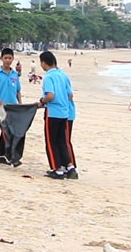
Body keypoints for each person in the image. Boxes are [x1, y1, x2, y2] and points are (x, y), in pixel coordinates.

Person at [38, 51, 77, 179]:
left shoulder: (48, 77)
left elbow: (50, 95)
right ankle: (70, 167)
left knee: (51, 141)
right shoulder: (63, 75)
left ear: (43, 63)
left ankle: (57, 169)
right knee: (62, 141)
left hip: (53, 112)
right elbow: (70, 94)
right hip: (65, 113)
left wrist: (42, 101)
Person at [0, 48, 22, 166]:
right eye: (5, 58)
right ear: (1, 59)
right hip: (0, 107)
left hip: (13, 107)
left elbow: (18, 91)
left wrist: (20, 104)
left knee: (11, 131)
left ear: (13, 59)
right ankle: (3, 155)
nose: (7, 60)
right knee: (5, 130)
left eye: (10, 58)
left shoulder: (15, 74)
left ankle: (2, 154)